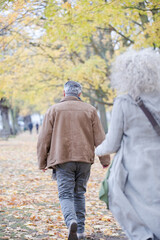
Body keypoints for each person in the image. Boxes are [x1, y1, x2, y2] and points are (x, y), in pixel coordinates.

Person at [95, 48, 160, 240]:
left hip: (136, 167)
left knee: (124, 199)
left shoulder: (124, 101)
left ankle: (143, 235)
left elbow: (112, 143)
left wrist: (96, 150)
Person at [37, 81, 110, 240]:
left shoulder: (53, 110)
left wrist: (42, 162)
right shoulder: (90, 110)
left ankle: (71, 222)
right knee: (79, 194)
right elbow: (100, 138)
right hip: (84, 159)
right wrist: (105, 160)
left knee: (65, 195)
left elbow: (43, 139)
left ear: (64, 93)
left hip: (62, 159)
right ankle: (80, 231)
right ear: (79, 94)